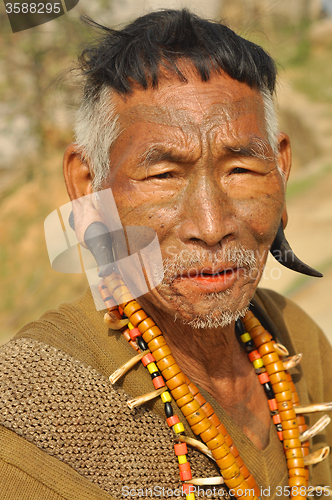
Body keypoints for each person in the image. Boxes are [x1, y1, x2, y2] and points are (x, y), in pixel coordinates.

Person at [0, 9, 331, 500]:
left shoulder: (296, 339)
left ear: (281, 169)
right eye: (164, 176)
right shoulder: (38, 403)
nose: (212, 227)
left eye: (240, 169)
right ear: (89, 188)